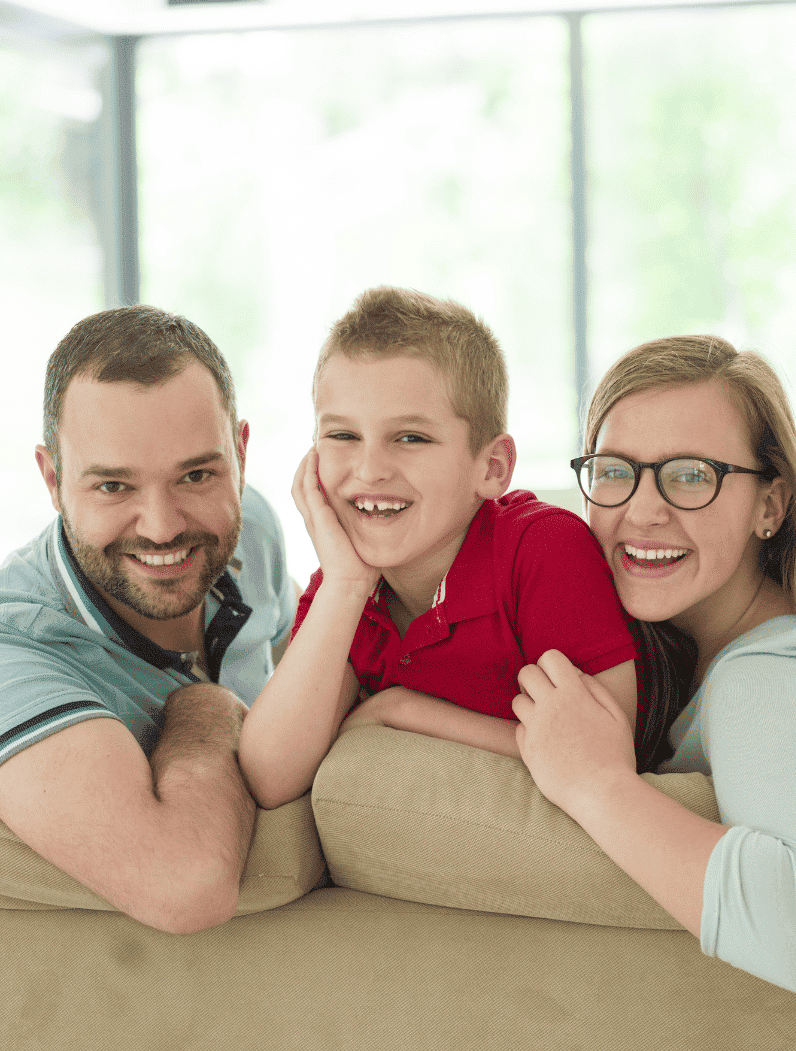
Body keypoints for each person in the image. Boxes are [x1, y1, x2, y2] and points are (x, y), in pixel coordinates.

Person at [512, 334, 796, 996]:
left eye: (691, 475)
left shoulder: (776, 678)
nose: (641, 510)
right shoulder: (700, 662)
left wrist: (595, 783)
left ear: (771, 507)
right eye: (614, 470)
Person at [0, 305, 297, 933]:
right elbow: (184, 886)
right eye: (114, 487)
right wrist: (207, 708)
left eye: (196, 474)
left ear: (241, 453)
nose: (164, 525)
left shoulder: (249, 530)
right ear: (52, 479)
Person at [239, 286, 642, 810]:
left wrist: (400, 710)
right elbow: (270, 777)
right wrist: (345, 585)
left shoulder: (543, 549)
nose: (369, 469)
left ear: (491, 467)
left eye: (410, 438)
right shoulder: (344, 586)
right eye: (342, 436)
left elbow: (610, 755)